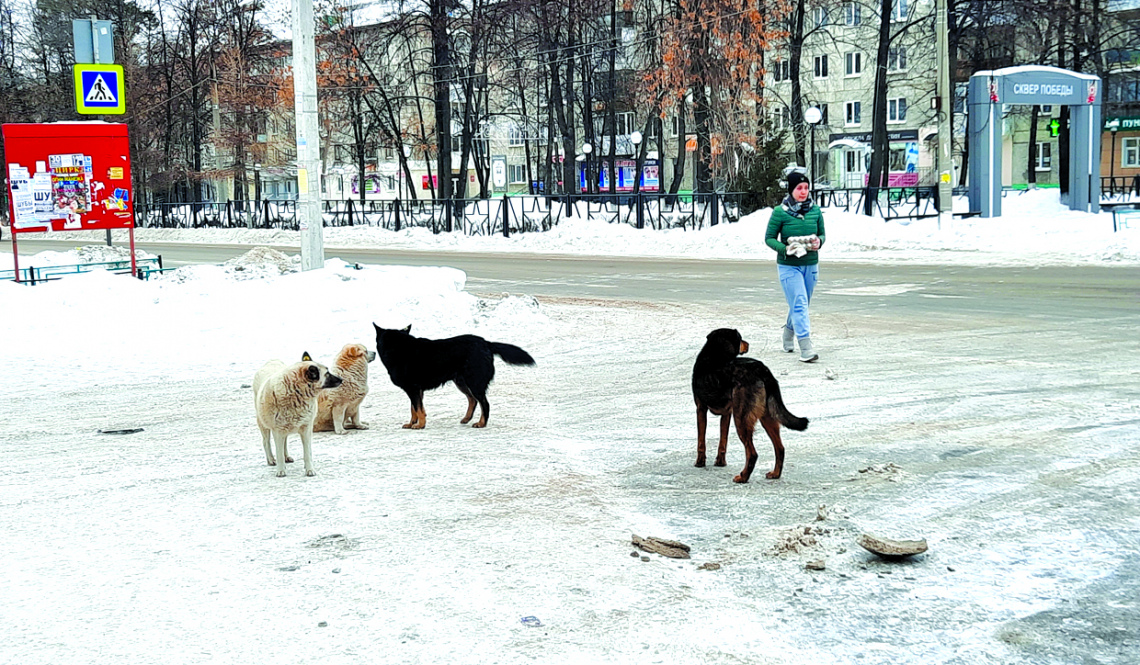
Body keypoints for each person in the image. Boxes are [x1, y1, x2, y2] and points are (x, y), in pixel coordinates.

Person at [765, 171, 825, 363]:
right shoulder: (780, 212)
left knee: (801, 303)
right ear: (791, 190)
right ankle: (806, 348)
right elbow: (769, 238)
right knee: (799, 303)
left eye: (806, 188)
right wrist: (785, 249)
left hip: (810, 264)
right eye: (799, 188)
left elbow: (822, 234)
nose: (803, 192)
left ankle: (788, 332)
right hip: (789, 266)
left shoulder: (815, 210)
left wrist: (819, 242)